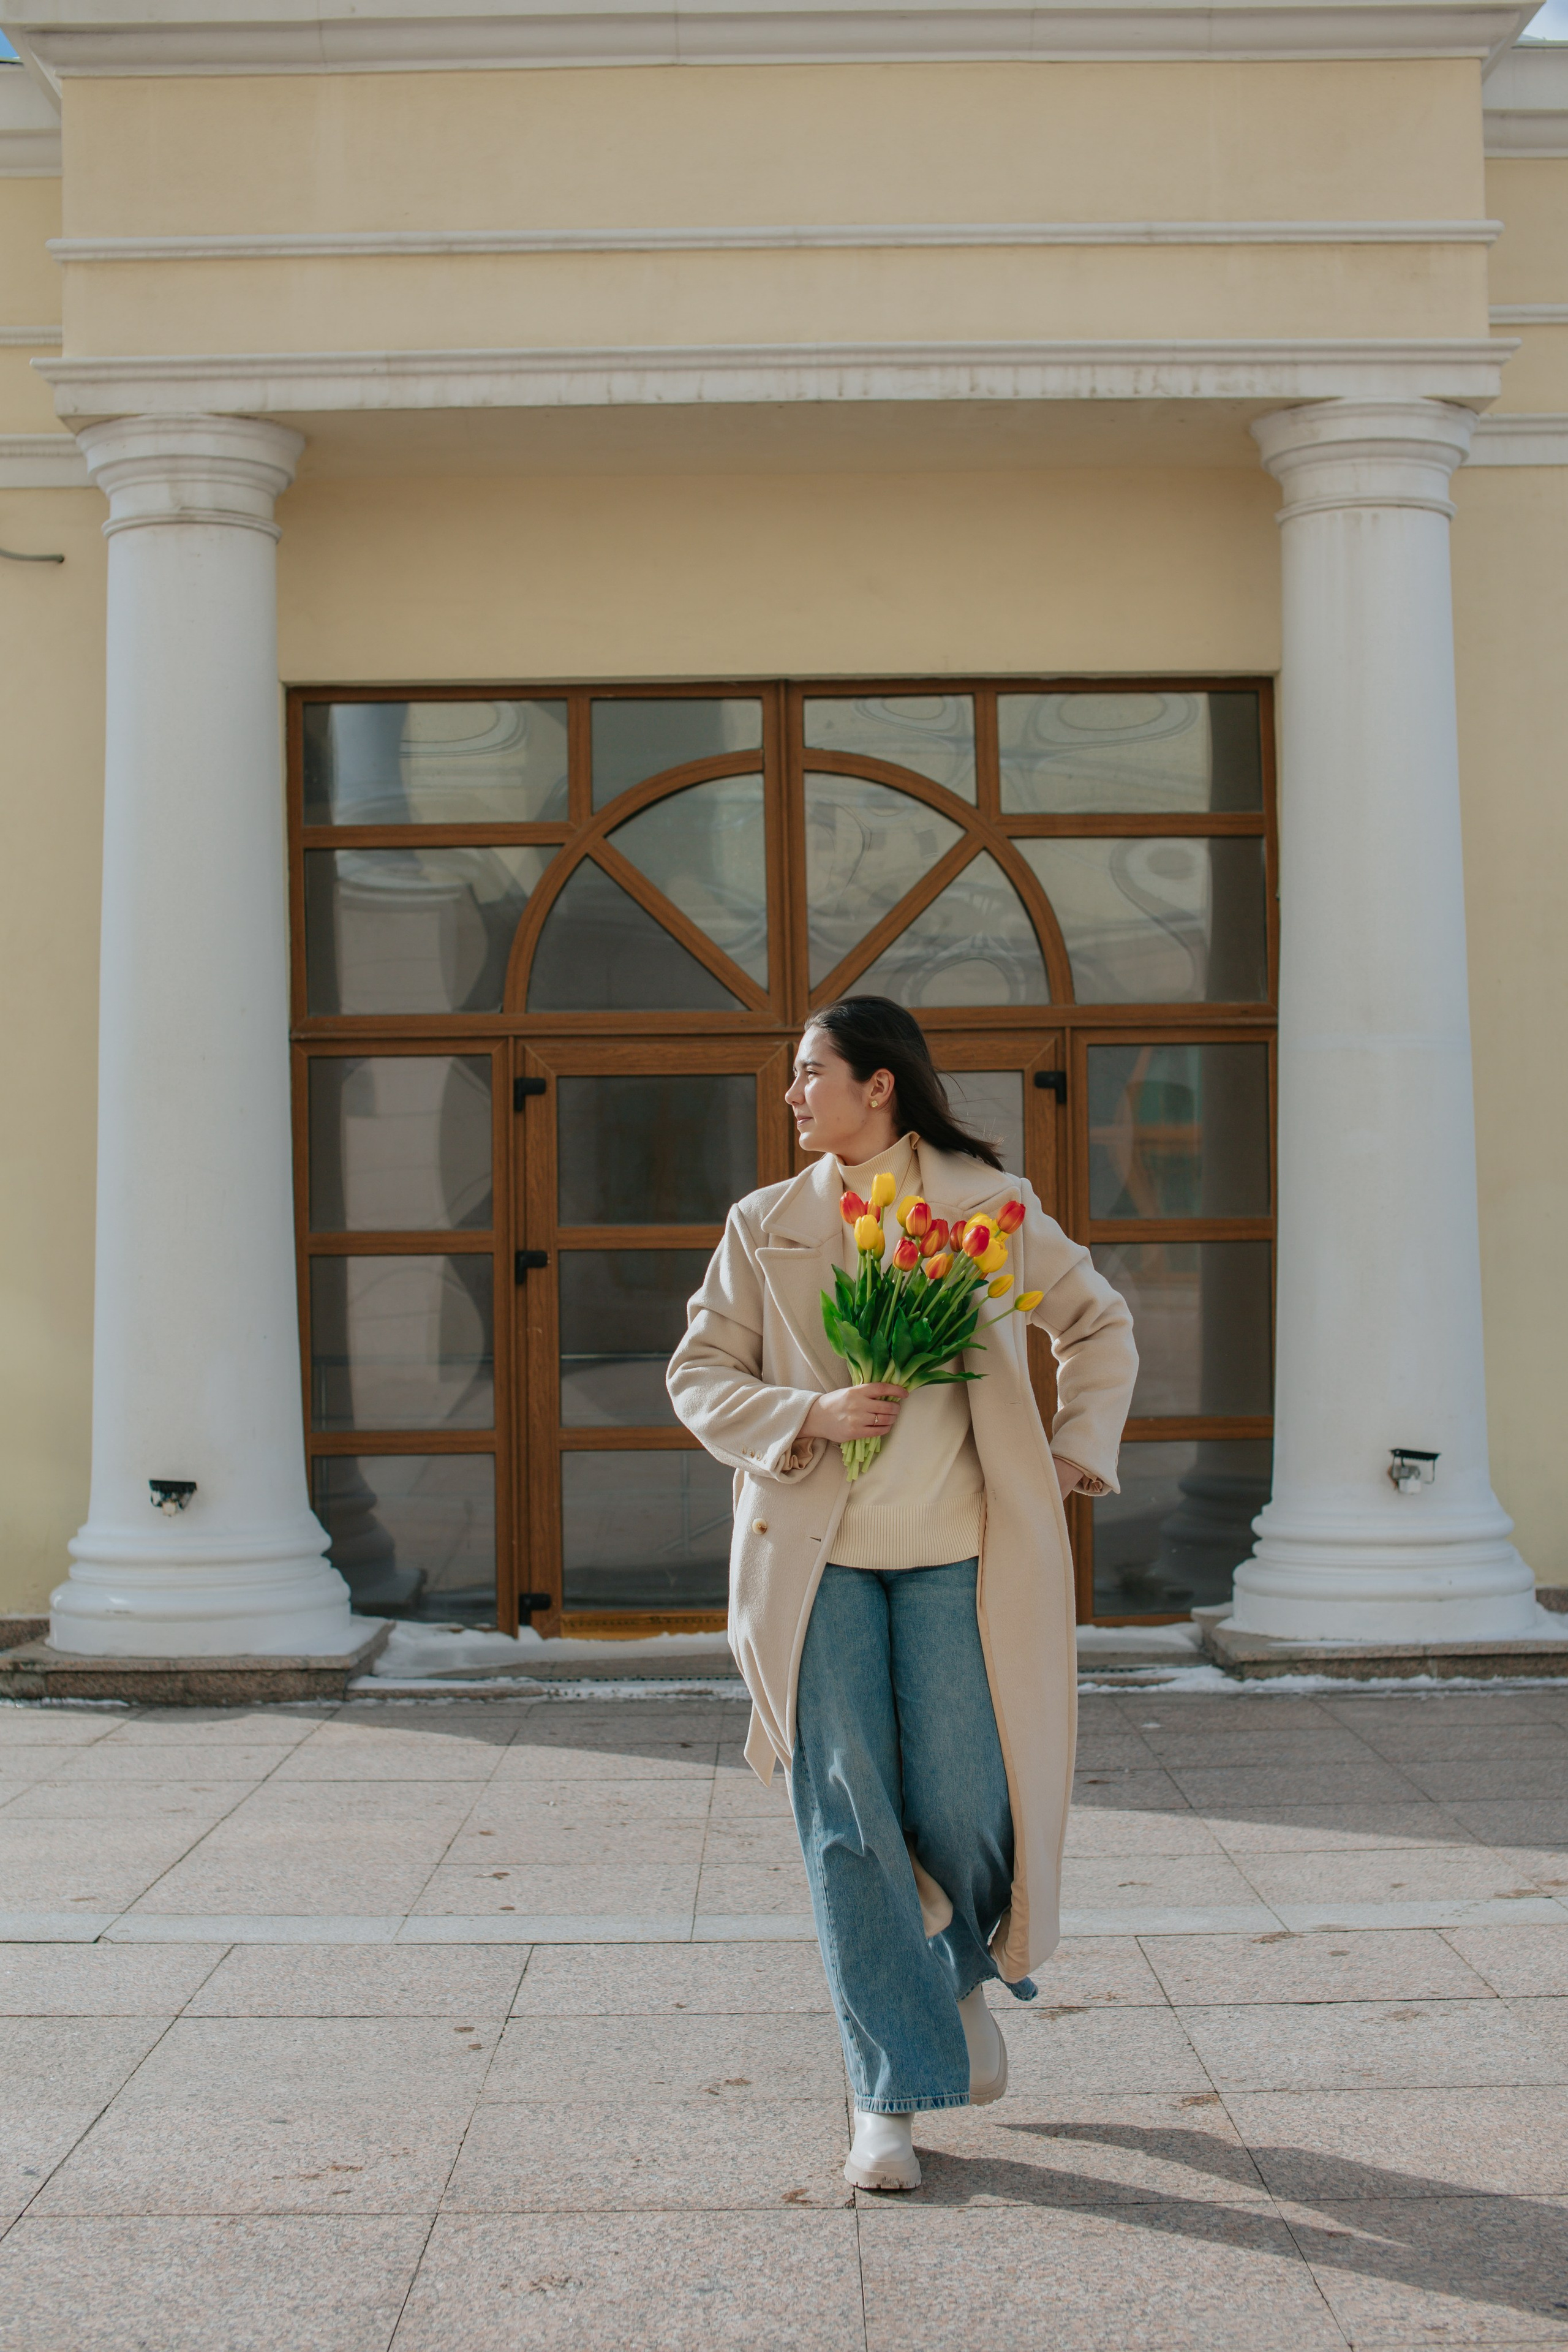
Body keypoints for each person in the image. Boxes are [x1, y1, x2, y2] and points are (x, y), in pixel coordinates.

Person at [667, 997, 1137, 2191]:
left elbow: (1094, 1323)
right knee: (845, 1822)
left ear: (879, 1085)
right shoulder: (764, 1223)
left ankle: (965, 1975)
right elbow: (698, 1374)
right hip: (812, 1565)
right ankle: (887, 2096)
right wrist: (805, 1415)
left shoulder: (985, 1210)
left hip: (961, 1560)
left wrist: (1080, 1443)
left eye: (810, 1073)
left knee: (970, 1801)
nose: (791, 1095)